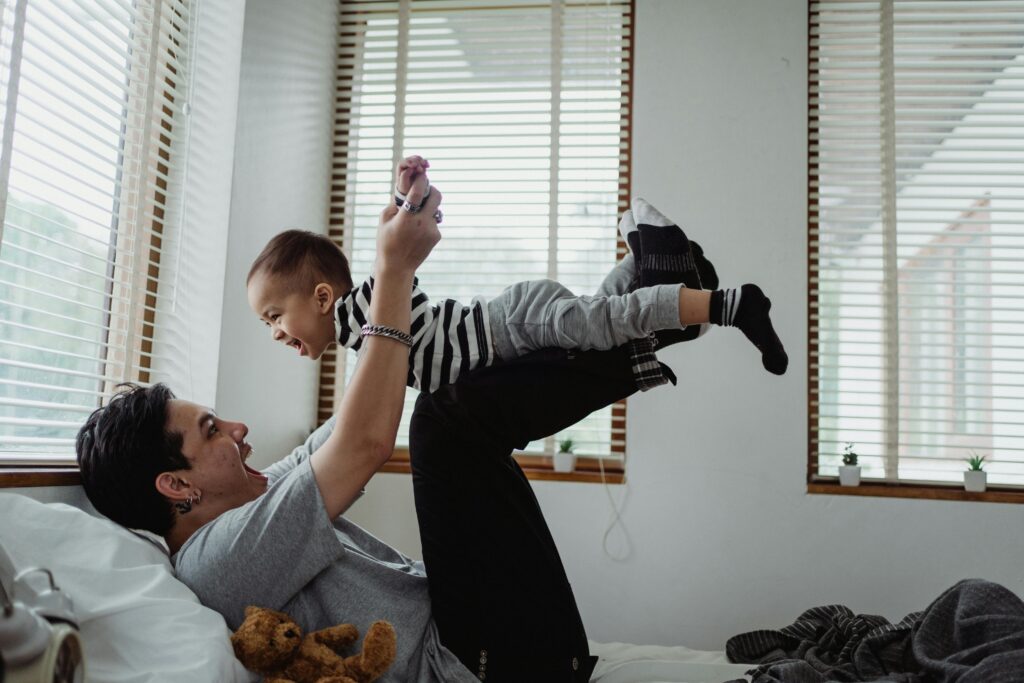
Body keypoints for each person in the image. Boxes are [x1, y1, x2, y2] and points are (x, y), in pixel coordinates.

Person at [246, 156, 788, 395]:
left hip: (511, 323)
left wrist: (404, 192)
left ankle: (733, 305)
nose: (273, 332)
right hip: (516, 323)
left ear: (321, 296)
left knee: (607, 322)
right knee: (606, 313)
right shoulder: (360, 334)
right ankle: (648, 247)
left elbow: (395, 255)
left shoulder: (369, 307)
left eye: (274, 315)